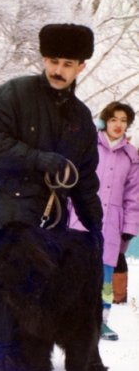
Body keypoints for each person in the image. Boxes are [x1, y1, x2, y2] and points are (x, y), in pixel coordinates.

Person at [0, 22, 103, 371]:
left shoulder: (81, 118)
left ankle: (23, 360)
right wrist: (38, 159)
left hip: (50, 221)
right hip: (7, 214)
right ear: (44, 59)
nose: (58, 70)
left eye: (67, 63)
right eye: (52, 61)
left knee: (39, 292)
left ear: (81, 67)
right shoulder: (15, 94)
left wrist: (96, 228)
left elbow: (85, 180)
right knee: (4, 286)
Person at [69, 101, 139, 340]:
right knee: (76, 272)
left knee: (106, 276)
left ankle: (102, 322)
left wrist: (129, 229)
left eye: (123, 121)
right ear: (105, 121)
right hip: (81, 218)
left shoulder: (131, 156)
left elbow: (133, 195)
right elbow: (73, 183)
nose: (118, 125)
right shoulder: (89, 146)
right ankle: (73, 320)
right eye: (113, 120)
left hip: (112, 224)